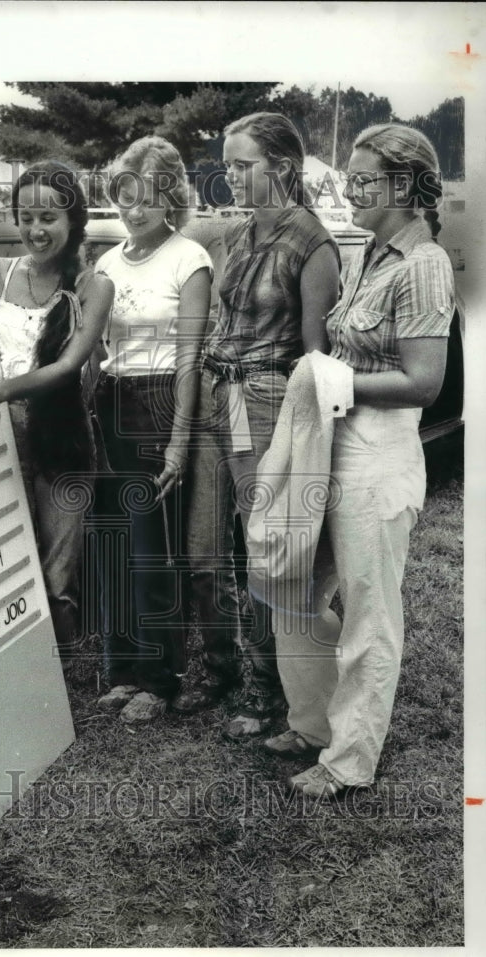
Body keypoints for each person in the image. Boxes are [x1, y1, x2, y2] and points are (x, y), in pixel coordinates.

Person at [264, 124, 454, 798]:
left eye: (364, 179)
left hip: (379, 451)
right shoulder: (367, 252)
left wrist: (327, 380)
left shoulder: (423, 262)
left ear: (403, 187)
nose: (350, 189)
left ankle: (349, 758)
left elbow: (425, 382)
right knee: (292, 586)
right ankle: (313, 723)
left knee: (369, 611)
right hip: (331, 440)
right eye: (348, 176)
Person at [177, 112, 341, 738]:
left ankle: (268, 689)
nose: (231, 176)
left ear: (283, 168)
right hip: (222, 394)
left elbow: (314, 359)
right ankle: (233, 670)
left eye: (242, 165)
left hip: (266, 402)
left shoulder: (313, 243)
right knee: (211, 545)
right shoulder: (241, 234)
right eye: (228, 165)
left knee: (264, 548)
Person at [0, 161, 114, 661]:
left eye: (49, 217)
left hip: (62, 433)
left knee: (58, 568)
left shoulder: (93, 286)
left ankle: (61, 668)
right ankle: (12, 661)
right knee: (2, 552)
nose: (36, 230)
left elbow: (66, 368)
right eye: (26, 217)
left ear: (73, 220)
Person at [92, 135, 213, 723]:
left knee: (154, 551)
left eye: (147, 198)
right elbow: (94, 350)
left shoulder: (190, 258)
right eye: (124, 197)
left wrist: (179, 441)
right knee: (115, 544)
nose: (133, 210)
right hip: (113, 402)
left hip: (162, 400)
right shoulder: (107, 263)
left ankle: (160, 679)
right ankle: (122, 671)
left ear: (172, 197)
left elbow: (191, 357)